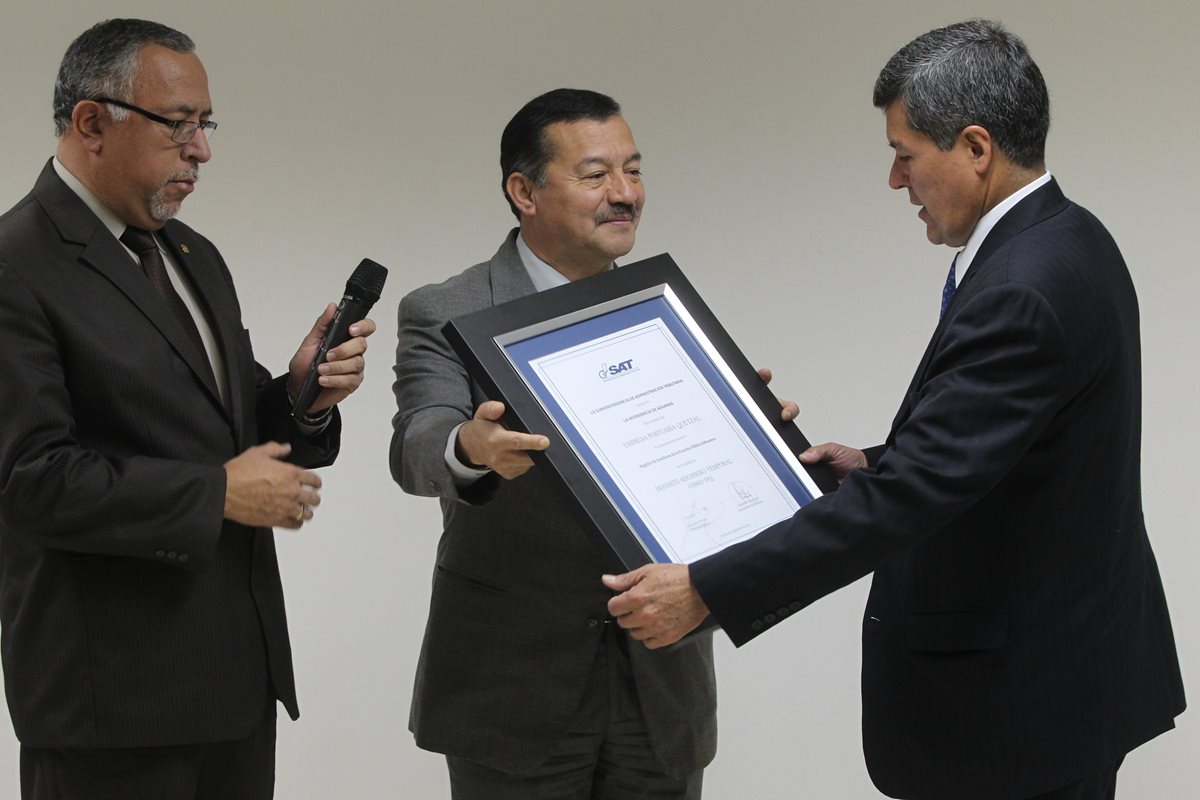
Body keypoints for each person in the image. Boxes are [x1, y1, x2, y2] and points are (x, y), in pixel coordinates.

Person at [604, 20, 1185, 800]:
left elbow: (910, 502)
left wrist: (708, 586)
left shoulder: (1020, 286)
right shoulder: (1071, 238)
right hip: (1063, 676)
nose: (894, 181)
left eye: (904, 155)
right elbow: (1011, 445)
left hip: (1014, 715)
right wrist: (877, 461)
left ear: (975, 148)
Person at [0, 19, 374, 800]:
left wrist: (300, 399)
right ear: (92, 123)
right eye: (179, 126)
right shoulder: (15, 265)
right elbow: (31, 480)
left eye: (205, 124)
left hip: (235, 689)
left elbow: (227, 427)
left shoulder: (193, 253)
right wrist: (217, 494)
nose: (202, 150)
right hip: (112, 714)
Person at [390, 88, 719, 798]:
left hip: (660, 677)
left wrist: (748, 429)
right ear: (524, 191)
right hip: (511, 686)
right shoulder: (446, 308)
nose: (625, 194)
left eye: (634, 171)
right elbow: (418, 442)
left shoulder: (664, 312)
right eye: (597, 175)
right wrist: (469, 447)